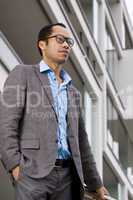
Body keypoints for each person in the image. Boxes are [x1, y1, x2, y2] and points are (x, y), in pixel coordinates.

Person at [0, 23, 108, 200]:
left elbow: (81, 142)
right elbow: (6, 123)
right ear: (42, 44)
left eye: (69, 42)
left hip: (68, 179)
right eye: (60, 39)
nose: (66, 45)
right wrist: (14, 166)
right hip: (32, 175)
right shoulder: (24, 74)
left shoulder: (73, 92)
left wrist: (96, 184)